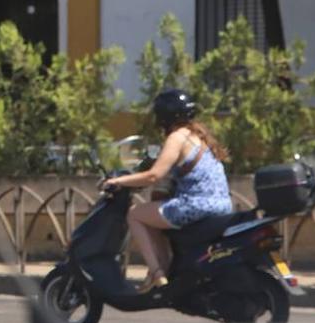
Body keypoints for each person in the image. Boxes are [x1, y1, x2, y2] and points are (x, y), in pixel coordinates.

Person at [99, 89, 231, 292]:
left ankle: (157, 275)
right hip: (221, 205)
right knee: (154, 210)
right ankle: (167, 268)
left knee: (134, 214)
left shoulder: (177, 138)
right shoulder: (199, 137)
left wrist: (118, 181)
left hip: (196, 205)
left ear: (164, 117)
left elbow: (154, 175)